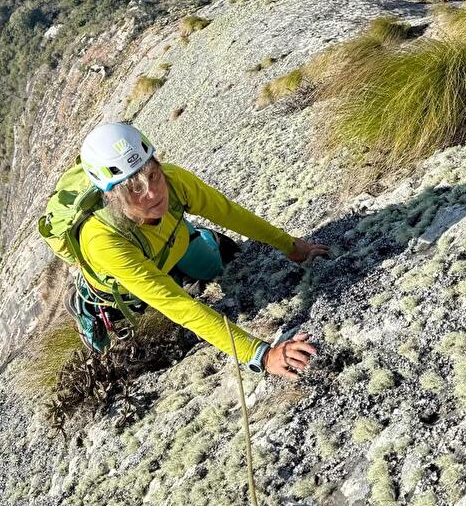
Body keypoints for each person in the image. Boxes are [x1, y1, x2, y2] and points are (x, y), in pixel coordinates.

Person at [68, 121, 328, 376]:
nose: (153, 194)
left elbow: (229, 214)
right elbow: (177, 304)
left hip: (172, 245)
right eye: (135, 189)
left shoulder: (174, 180)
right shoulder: (102, 239)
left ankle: (199, 244)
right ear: (112, 195)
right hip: (120, 290)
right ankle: (84, 307)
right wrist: (261, 354)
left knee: (214, 264)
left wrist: (290, 245)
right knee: (109, 346)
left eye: (152, 176)